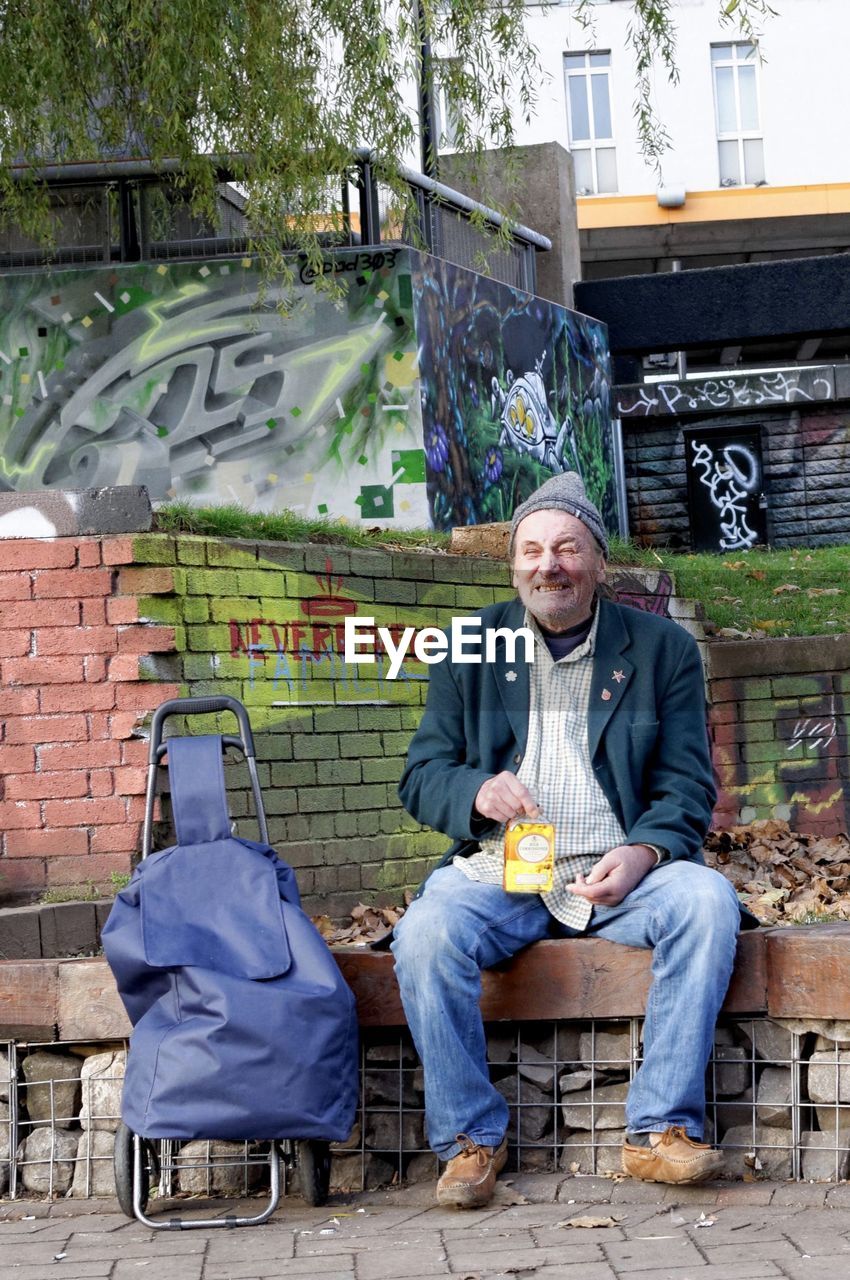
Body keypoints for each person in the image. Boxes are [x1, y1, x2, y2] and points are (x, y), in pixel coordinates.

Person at [392, 471, 751, 1210]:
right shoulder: (471, 646)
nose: (546, 564)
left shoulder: (660, 650)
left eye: (565, 548)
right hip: (501, 872)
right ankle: (468, 1140)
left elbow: (686, 787)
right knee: (425, 933)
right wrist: (476, 792)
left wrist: (644, 853)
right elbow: (422, 775)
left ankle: (659, 1132)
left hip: (620, 874)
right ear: (513, 563)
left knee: (707, 902)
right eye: (530, 550)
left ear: (597, 564)